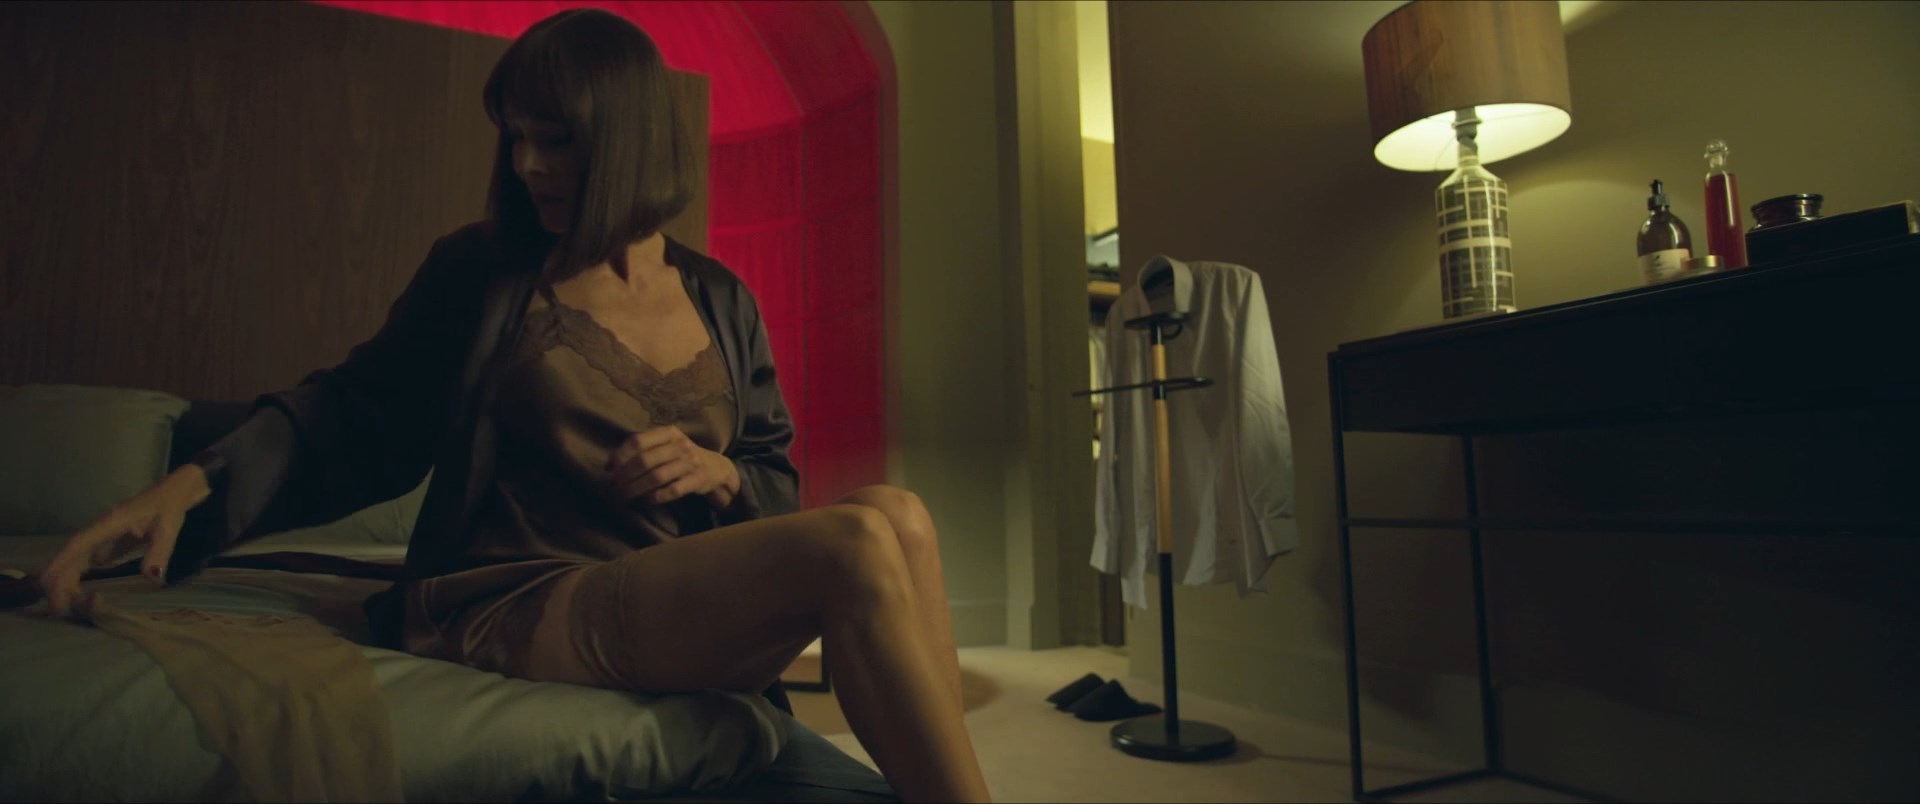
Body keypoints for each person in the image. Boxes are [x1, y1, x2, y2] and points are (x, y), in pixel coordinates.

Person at [32, 9, 989, 803]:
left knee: (897, 514)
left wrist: (721, 472)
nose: (527, 164)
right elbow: (353, 413)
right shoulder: (484, 271)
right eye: (516, 137)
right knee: (853, 543)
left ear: (625, 138)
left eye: (555, 139)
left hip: (671, 587)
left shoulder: (720, 298)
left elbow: (773, 478)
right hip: (523, 594)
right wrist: (190, 484)